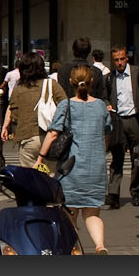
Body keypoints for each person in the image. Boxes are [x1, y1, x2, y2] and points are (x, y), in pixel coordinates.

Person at [38, 64, 114, 253]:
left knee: (69, 213)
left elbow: (53, 133)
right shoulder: (101, 106)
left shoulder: (66, 105)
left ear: (70, 83)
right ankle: (100, 245)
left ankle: (72, 249)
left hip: (72, 168)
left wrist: (40, 157)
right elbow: (106, 134)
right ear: (92, 82)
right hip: (96, 168)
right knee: (93, 213)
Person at [106, 45, 139, 208]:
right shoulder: (110, 78)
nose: (119, 63)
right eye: (116, 60)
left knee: (137, 157)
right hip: (118, 120)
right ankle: (113, 194)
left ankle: (136, 192)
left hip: (135, 119)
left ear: (127, 58)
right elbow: (106, 96)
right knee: (117, 157)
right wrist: (108, 105)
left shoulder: (138, 73)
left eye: (122, 59)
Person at [1, 52, 62, 172]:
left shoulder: (19, 89)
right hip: (50, 137)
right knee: (50, 176)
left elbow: (12, 109)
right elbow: (65, 104)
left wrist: (5, 127)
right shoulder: (52, 85)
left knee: (30, 179)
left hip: (27, 137)